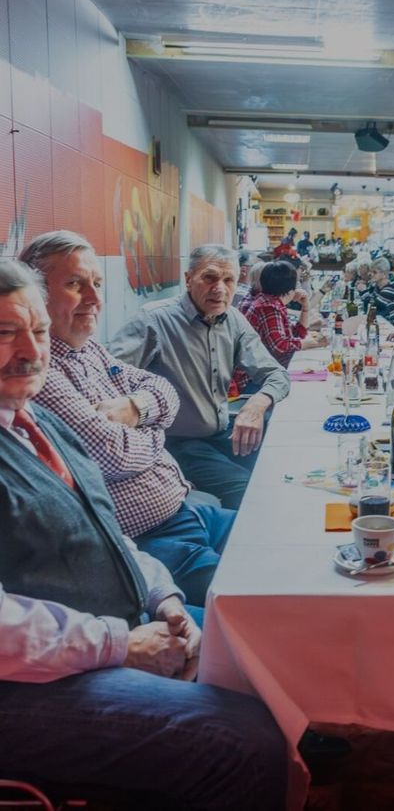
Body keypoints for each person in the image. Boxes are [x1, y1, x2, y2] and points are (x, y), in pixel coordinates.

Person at [0, 259, 288, 810]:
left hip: (117, 623)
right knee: (241, 742)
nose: (34, 352)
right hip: (29, 682)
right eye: (5, 333)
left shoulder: (37, 421)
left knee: (263, 652)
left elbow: (108, 531)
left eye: (37, 332)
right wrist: (118, 644)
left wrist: (165, 598)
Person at [19, 231, 236, 607]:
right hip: (151, 540)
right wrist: (157, 434)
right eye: (75, 284)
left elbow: (164, 388)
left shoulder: (88, 351)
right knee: (253, 594)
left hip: (187, 509)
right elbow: (111, 454)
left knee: (280, 538)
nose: (95, 298)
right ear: (35, 297)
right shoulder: (41, 372)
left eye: (97, 284)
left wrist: (136, 411)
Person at [110, 245, 290, 511]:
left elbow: (276, 374)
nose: (220, 288)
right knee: (251, 494)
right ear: (188, 279)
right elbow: (107, 381)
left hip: (222, 432)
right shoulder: (153, 320)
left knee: (281, 471)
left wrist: (258, 402)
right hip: (178, 445)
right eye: (209, 278)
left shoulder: (233, 319)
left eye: (228, 280)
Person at [233, 261, 326, 393]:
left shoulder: (271, 302)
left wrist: (305, 307)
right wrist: (308, 344)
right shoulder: (268, 307)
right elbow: (280, 345)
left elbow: (297, 333)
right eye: (297, 283)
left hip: (261, 375)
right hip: (253, 380)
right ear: (290, 287)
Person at [358, 257, 394, 324]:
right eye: (371, 272)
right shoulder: (378, 287)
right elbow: (369, 307)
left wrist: (364, 292)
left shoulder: (390, 288)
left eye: (375, 272)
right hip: (386, 322)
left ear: (384, 274)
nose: (371, 274)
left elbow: (375, 308)